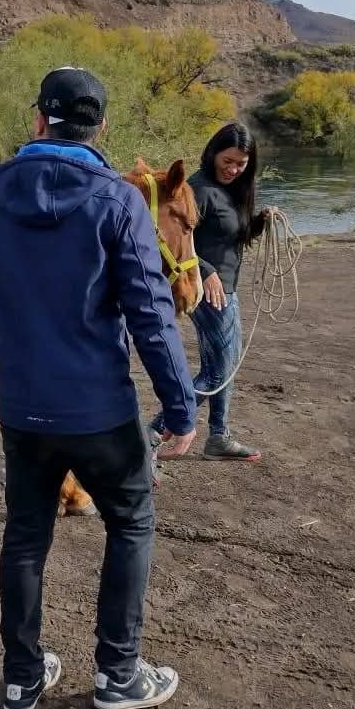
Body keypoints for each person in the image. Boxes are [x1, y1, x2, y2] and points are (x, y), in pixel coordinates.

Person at [0, 67, 197, 709]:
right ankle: (118, 674)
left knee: (25, 537)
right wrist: (180, 409)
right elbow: (150, 313)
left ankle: (22, 680)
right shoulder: (118, 201)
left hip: (23, 411)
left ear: (37, 121)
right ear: (100, 128)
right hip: (100, 411)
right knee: (131, 523)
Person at [150, 120, 269, 464]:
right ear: (213, 153)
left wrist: (261, 221)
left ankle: (219, 435)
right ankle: (153, 431)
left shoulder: (234, 190)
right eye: (227, 161)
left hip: (227, 289)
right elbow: (176, 239)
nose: (233, 169)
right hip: (208, 291)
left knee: (225, 366)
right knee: (217, 371)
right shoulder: (197, 188)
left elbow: (230, 236)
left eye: (241, 163)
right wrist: (207, 271)